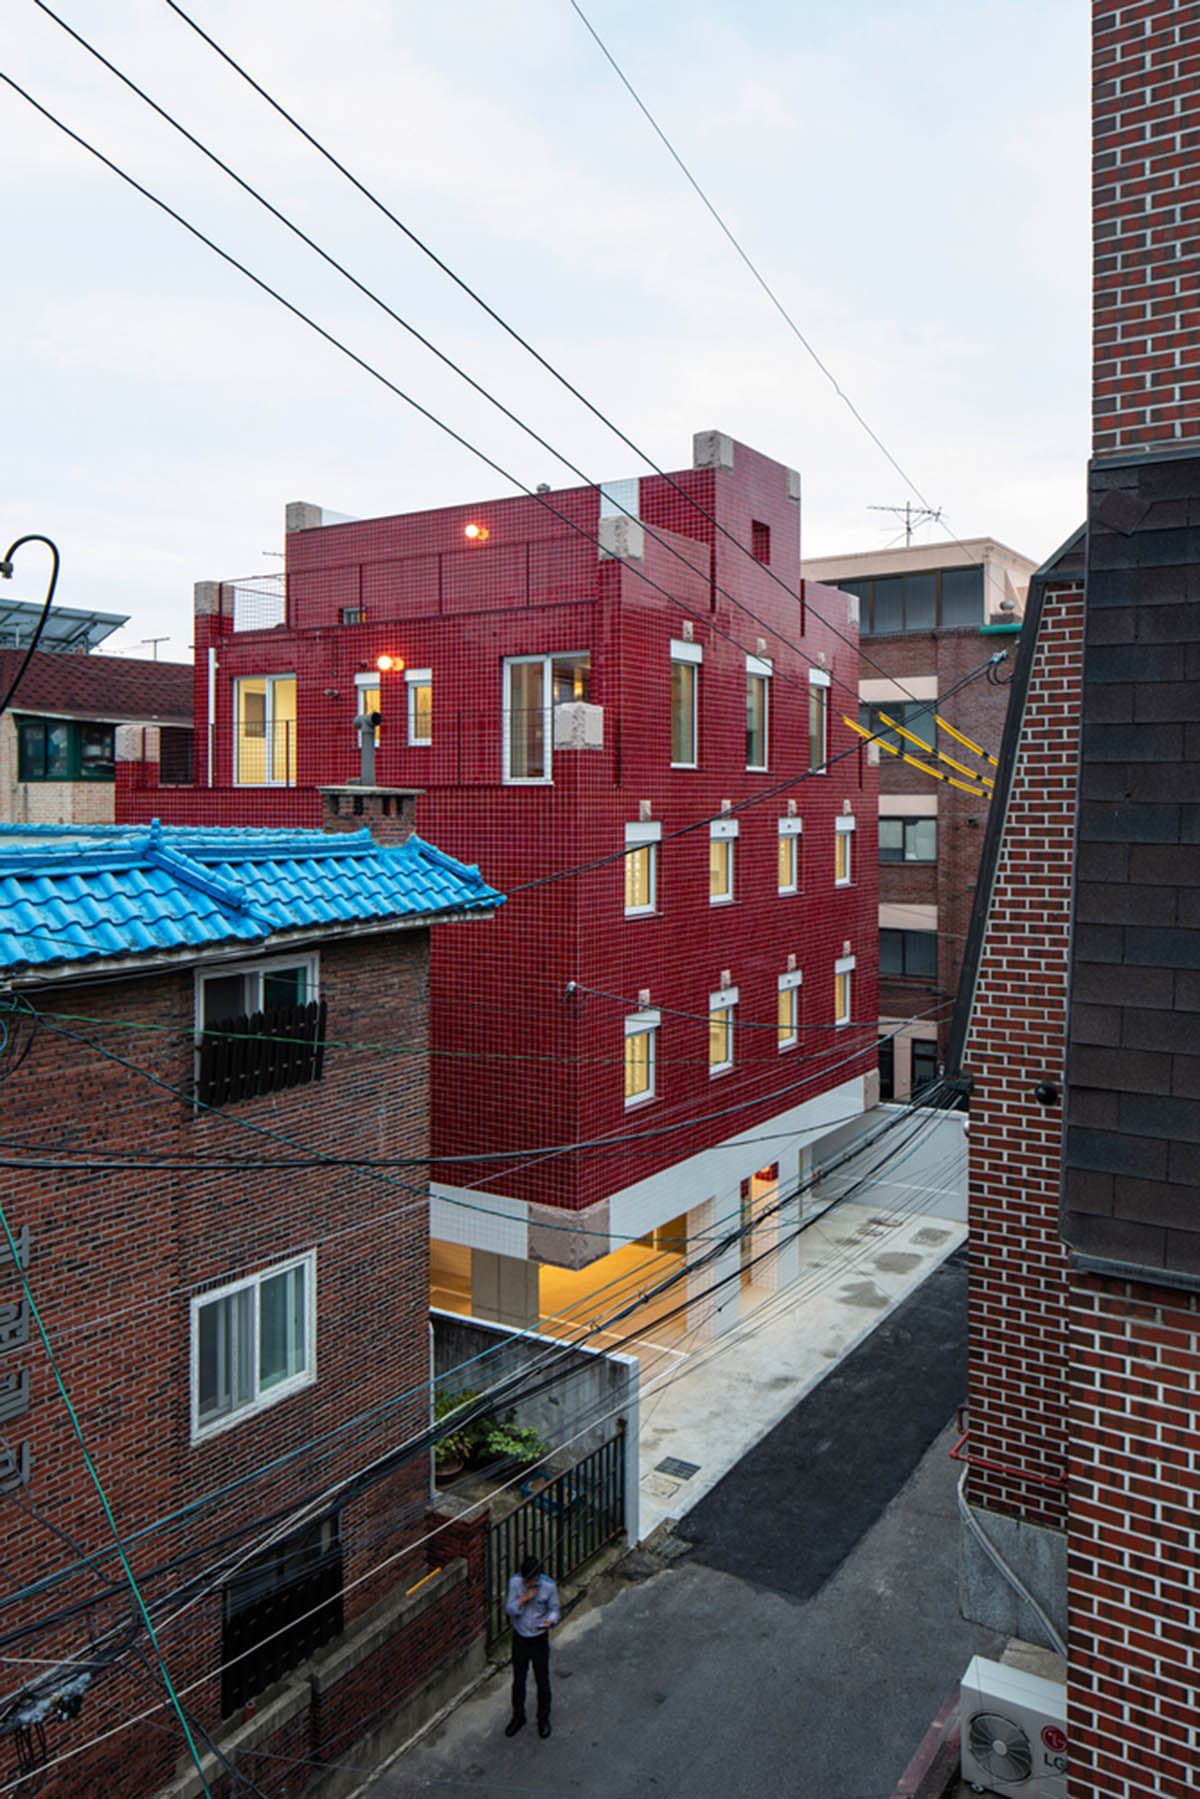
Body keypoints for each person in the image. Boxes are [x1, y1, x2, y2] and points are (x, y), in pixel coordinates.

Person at [504, 1553, 559, 1739]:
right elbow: (509, 1609)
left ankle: (543, 1718)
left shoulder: (549, 1586)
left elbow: (555, 1610)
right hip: (520, 1637)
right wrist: (523, 1599)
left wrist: (550, 1621)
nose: (531, 1585)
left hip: (538, 1638)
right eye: (528, 1581)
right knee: (519, 1680)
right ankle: (518, 1716)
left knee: (542, 1680)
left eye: (533, 1581)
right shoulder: (515, 1583)